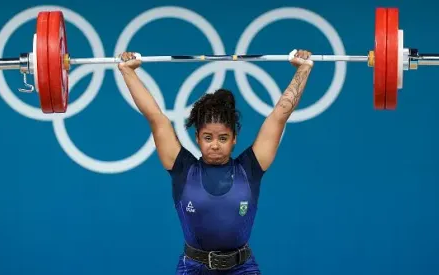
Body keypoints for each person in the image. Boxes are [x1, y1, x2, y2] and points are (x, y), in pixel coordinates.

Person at [117, 49, 313, 274]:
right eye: (208, 138)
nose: (215, 145)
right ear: (197, 138)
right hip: (194, 269)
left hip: (243, 270)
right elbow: (156, 117)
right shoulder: (183, 168)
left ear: (234, 140)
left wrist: (303, 70)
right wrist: (127, 72)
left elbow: (280, 116)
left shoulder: (250, 168)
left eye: (223, 138)